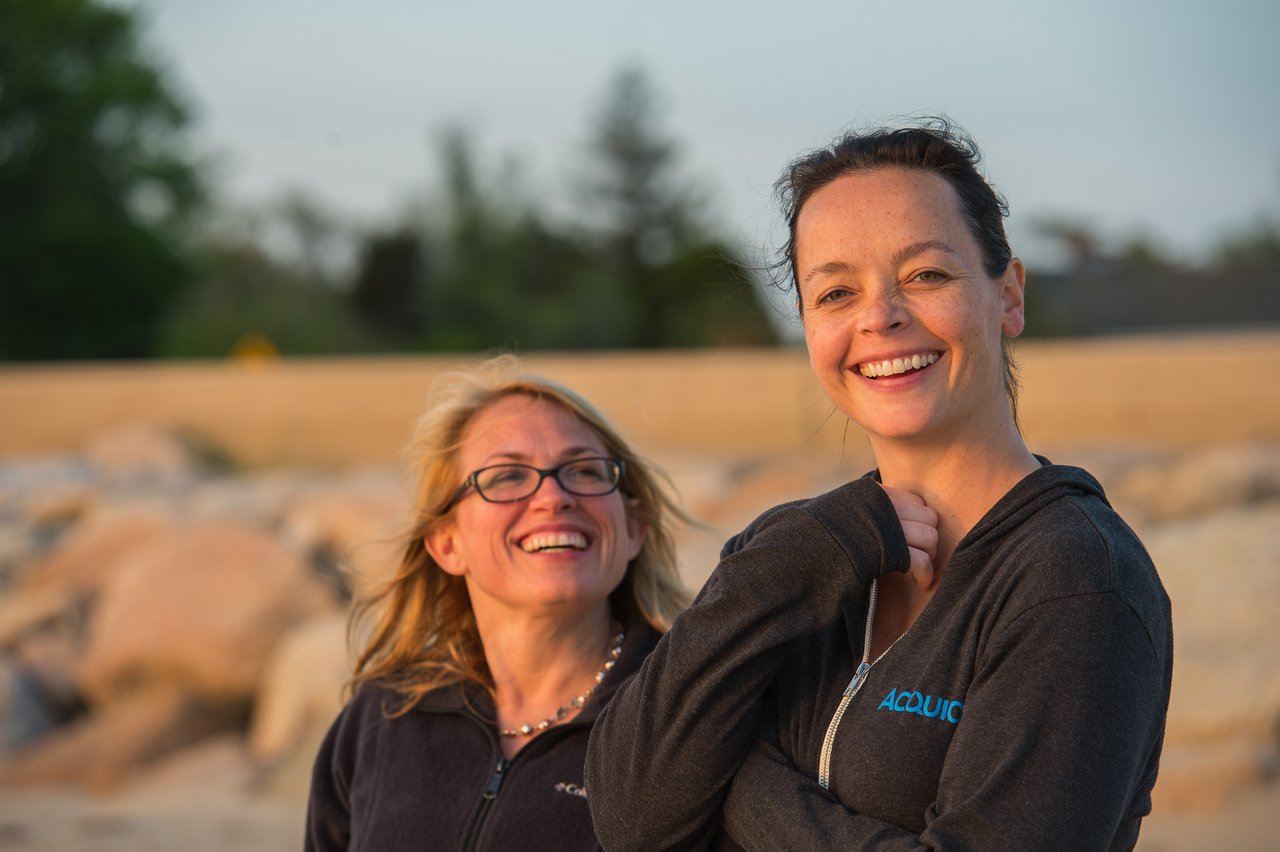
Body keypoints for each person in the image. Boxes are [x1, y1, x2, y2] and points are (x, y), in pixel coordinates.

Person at [585, 119, 1173, 850]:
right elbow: (630, 818)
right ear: (806, 328)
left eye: (926, 275)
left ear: (1009, 296)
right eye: (835, 293)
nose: (880, 318)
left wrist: (738, 785)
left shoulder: (1077, 578)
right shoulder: (790, 550)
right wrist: (793, 560)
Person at [305, 355, 694, 851]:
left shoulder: (686, 715)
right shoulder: (382, 716)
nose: (553, 497)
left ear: (633, 528)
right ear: (447, 543)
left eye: (584, 470)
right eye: (507, 476)